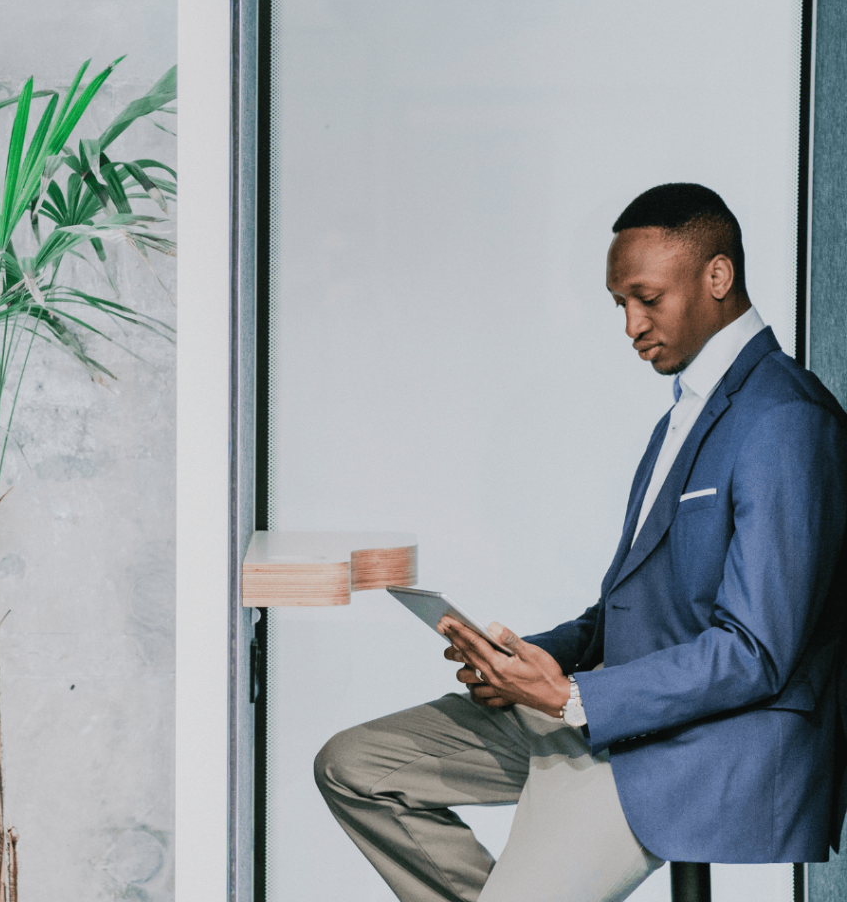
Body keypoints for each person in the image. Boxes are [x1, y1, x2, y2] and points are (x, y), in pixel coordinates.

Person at [314, 183, 847, 902]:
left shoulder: (784, 420)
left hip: (698, 750)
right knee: (356, 765)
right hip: (607, 716)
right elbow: (622, 614)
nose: (630, 324)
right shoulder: (682, 418)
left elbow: (756, 653)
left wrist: (573, 697)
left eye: (645, 298)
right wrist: (525, 662)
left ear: (717, 277)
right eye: (619, 304)